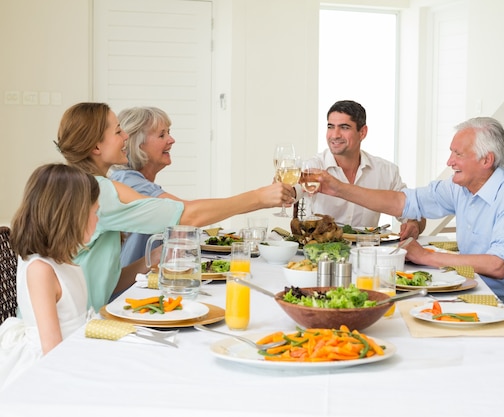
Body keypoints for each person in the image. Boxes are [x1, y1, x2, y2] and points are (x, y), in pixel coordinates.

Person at [55, 102, 295, 310]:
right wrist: (260, 197)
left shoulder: (83, 186)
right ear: (96, 148)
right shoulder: (101, 191)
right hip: (82, 324)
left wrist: (153, 258)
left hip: (92, 309)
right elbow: (186, 215)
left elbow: (104, 281)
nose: (125, 137)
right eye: (118, 131)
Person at [316, 116, 504, 310]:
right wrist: (339, 188)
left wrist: (427, 257)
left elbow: (498, 265)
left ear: (486, 160)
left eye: (458, 154)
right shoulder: (460, 186)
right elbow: (403, 202)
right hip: (468, 287)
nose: (449, 161)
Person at [0, 164, 99, 389]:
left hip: (72, 352)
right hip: (47, 368)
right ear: (71, 216)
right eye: (95, 212)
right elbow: (52, 348)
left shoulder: (64, 260)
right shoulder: (40, 270)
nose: (97, 219)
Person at [295, 100, 425, 239]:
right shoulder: (313, 167)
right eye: (331, 127)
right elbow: (291, 191)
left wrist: (414, 224)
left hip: (368, 252)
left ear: (362, 132)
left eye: (344, 127)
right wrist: (286, 191)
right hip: (322, 253)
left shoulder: (386, 171)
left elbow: (416, 213)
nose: (335, 135)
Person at [108, 106, 186, 267]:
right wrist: (253, 199)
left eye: (169, 133)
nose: (171, 140)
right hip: (125, 290)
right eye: (162, 135)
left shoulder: (136, 181)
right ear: (137, 144)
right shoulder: (128, 183)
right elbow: (186, 213)